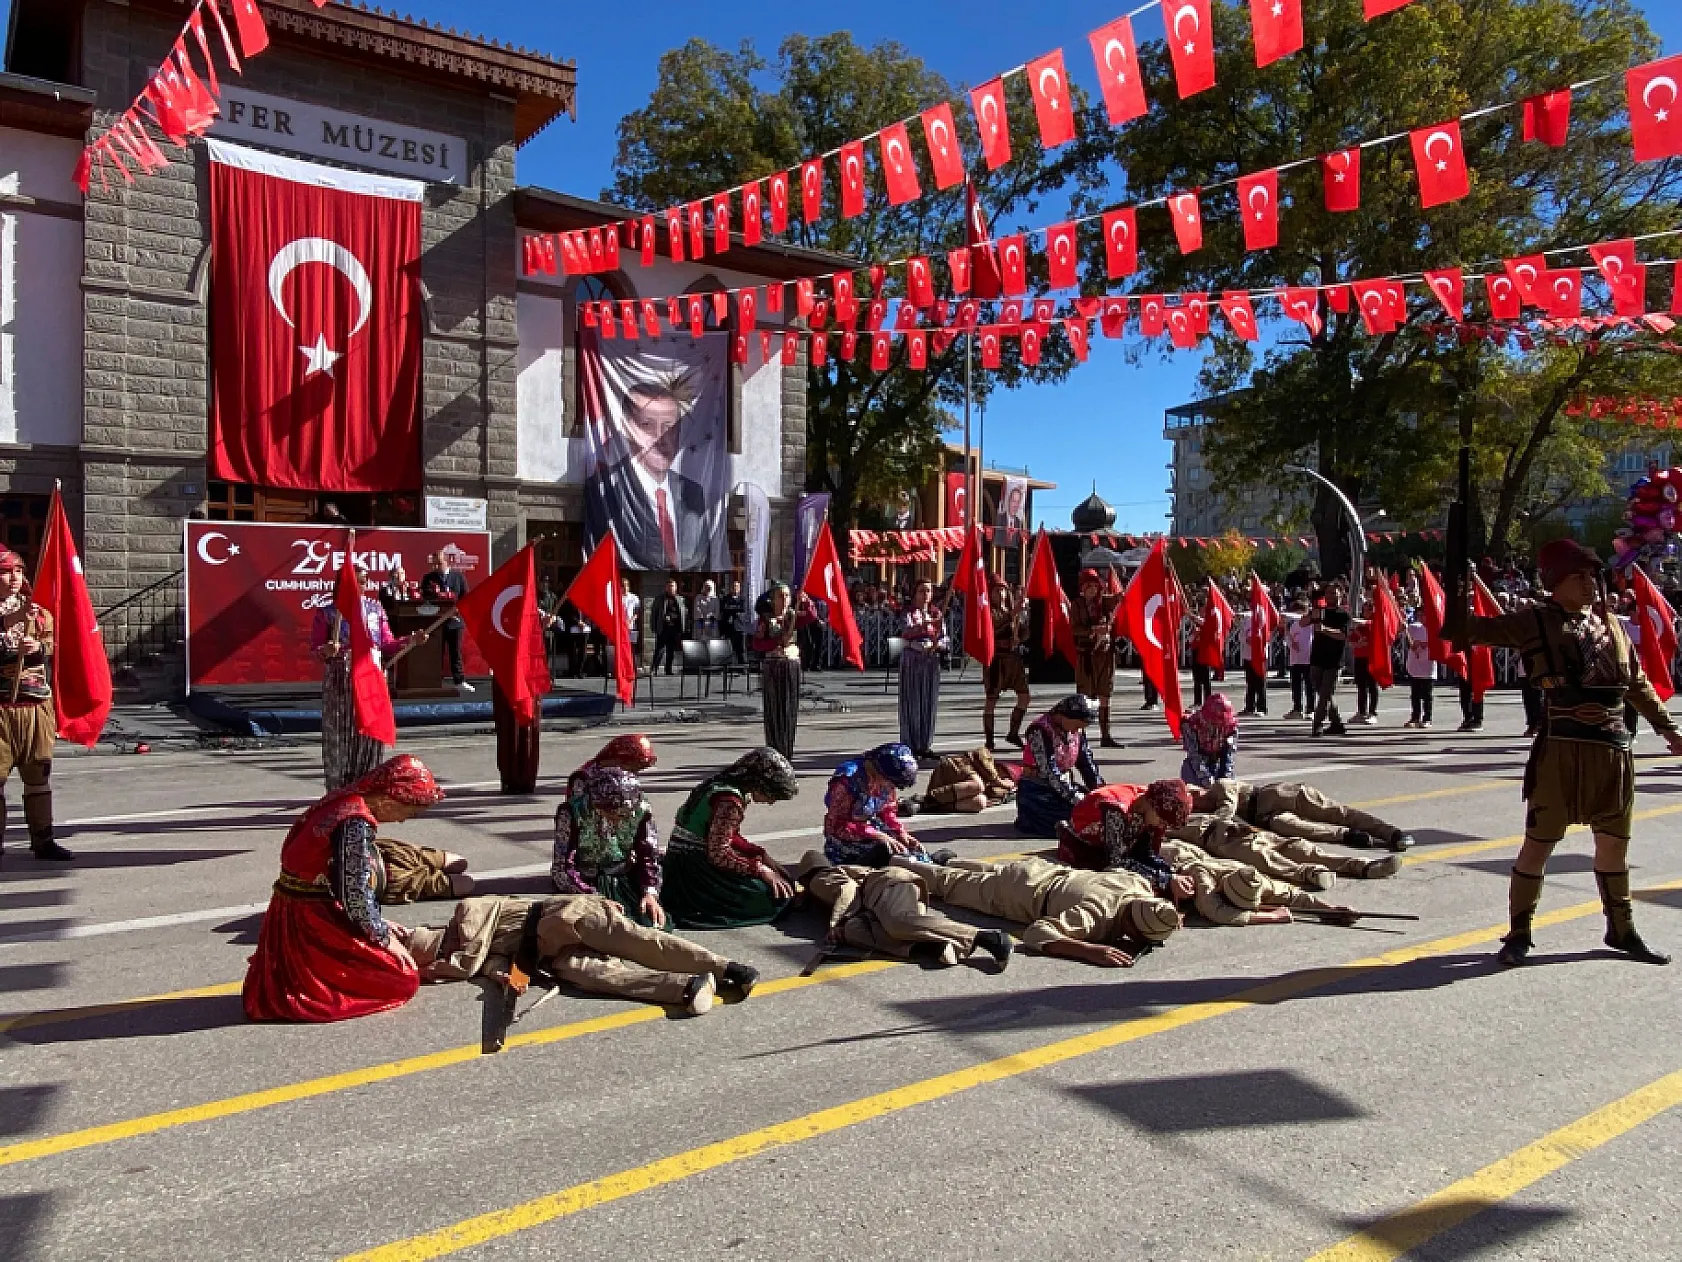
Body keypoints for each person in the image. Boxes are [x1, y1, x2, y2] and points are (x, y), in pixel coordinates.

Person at [1459, 538, 1682, 967]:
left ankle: (1622, 930)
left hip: (1613, 754)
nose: (1590, 584)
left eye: (1593, 575)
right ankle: (1519, 933)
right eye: (1578, 576)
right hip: (1561, 751)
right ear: (1555, 582)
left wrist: (1669, 729)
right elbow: (1466, 630)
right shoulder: (1534, 622)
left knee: (1614, 847)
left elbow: (1636, 684)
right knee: (1538, 845)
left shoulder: (1613, 626)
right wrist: (1453, 591)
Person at [242, 755, 445, 1022]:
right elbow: (355, 893)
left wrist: (379, 922)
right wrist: (384, 938)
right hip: (311, 918)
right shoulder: (356, 822)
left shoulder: (342, 802)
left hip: (295, 903)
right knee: (403, 978)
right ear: (387, 800)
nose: (403, 821)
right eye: (408, 811)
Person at [409, 892, 760, 1021]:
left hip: (567, 917)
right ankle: (686, 988)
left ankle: (726, 967)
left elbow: (471, 951)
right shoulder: (475, 956)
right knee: (598, 978)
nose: (448, 949)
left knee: (640, 942)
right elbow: (494, 964)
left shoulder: (470, 913)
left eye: (442, 945)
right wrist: (511, 980)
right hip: (552, 954)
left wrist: (455, 962)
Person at [895, 854, 1181, 968]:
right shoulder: (1094, 916)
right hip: (1019, 894)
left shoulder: (1139, 886)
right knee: (947, 884)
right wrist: (1089, 950)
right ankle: (896, 861)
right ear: (1132, 928)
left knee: (980, 871)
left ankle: (951, 859)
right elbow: (1037, 933)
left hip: (1041, 869)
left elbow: (1115, 870)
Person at [583, 380, 725, 572]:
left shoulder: (692, 492)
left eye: (669, 428)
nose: (661, 438)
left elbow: (701, 557)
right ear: (627, 431)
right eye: (647, 426)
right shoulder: (607, 488)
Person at [310, 565, 426, 792]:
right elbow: (315, 649)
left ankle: (367, 783)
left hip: (371, 676)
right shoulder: (328, 613)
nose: (361, 586)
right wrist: (327, 650)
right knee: (344, 733)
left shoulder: (375, 609)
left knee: (370, 731)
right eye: (356, 582)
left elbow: (387, 644)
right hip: (341, 679)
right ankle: (341, 786)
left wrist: (411, 640)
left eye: (364, 582)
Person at [794, 851, 1013, 969]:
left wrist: (836, 923)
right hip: (876, 901)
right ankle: (929, 944)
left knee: (898, 922)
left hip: (886, 885)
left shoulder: (820, 878)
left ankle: (986, 937)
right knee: (854, 930)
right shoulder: (824, 880)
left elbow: (847, 890)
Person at [663, 747, 801, 929]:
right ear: (759, 783)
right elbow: (719, 854)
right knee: (774, 897)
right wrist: (760, 870)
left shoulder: (718, 785)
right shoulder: (728, 801)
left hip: (682, 860)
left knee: (780, 884)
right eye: (772, 794)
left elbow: (727, 835)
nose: (771, 802)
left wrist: (760, 855)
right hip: (694, 870)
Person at [0, 550, 68, 862]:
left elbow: (52, 644)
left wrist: (38, 646)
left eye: (18, 570)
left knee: (38, 774)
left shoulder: (37, 613)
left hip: (35, 705)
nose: (14, 578)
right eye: (5, 571)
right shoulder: (18, 614)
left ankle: (43, 841)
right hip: (1, 707)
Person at [551, 764, 665, 927]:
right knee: (597, 925)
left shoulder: (640, 809)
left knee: (648, 921)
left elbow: (648, 853)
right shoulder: (571, 812)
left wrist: (650, 892)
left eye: (627, 813)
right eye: (615, 813)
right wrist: (594, 898)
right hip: (585, 881)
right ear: (597, 805)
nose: (623, 818)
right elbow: (562, 869)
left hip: (621, 876)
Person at [1158, 838, 1357, 927]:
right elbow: (1217, 912)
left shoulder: (1254, 881)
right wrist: (1272, 917)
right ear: (1220, 889)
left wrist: (1330, 910)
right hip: (1167, 857)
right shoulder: (1203, 877)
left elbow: (1292, 895)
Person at [1172, 809, 1400, 885]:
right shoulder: (1160, 828)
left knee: (1299, 848)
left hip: (1244, 829)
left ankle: (1364, 867)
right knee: (1269, 860)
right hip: (1220, 843)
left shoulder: (1197, 805)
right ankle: (1310, 874)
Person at [1193, 778, 1415, 853]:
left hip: (1281, 795)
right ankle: (1348, 836)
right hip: (1269, 817)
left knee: (1338, 812)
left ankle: (1392, 833)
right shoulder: (1210, 808)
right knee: (1299, 829)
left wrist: (1213, 823)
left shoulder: (1220, 787)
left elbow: (1227, 809)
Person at [1053, 780, 1194, 883]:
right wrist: (1165, 879)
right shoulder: (1116, 808)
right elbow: (1116, 861)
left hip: (1118, 845)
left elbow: (1149, 852)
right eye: (1162, 820)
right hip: (1086, 845)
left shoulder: (1148, 806)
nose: (1161, 825)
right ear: (1153, 805)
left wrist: (1168, 872)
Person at [823, 743, 930, 866]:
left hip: (871, 828)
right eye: (892, 783)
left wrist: (901, 833)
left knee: (913, 853)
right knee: (891, 856)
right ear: (880, 772)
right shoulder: (848, 780)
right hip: (845, 837)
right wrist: (878, 835)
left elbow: (887, 811)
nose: (892, 788)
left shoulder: (886, 781)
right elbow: (836, 825)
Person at [1016, 695, 1104, 837]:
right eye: (1076, 726)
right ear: (1065, 716)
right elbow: (1049, 771)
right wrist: (1075, 797)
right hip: (1037, 790)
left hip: (1060, 786)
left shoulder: (1075, 731)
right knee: (1076, 818)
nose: (1076, 731)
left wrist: (1100, 791)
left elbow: (1086, 763)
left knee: (1096, 809)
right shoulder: (1040, 730)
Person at [753, 582, 803, 758]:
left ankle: (787, 751)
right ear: (772, 599)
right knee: (775, 711)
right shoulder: (766, 619)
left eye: (787, 596)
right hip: (773, 665)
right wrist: (777, 641)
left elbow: (811, 617)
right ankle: (774, 750)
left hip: (790, 664)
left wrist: (806, 602)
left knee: (789, 710)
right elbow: (757, 643)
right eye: (780, 596)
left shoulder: (794, 615)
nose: (784, 600)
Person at [1071, 569, 1122, 747]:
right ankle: (1080, 738)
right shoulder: (1076, 605)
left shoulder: (1105, 602)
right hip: (1086, 655)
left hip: (1105, 655)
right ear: (1083, 588)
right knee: (1085, 698)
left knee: (1104, 695)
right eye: (1088, 586)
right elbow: (1074, 629)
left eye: (1095, 585)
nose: (1092, 589)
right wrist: (1093, 630)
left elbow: (1120, 598)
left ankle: (1105, 735)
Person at [898, 579, 947, 758]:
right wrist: (924, 627)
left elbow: (945, 637)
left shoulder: (936, 613)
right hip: (913, 660)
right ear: (915, 593)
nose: (926, 594)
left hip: (931, 661)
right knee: (912, 702)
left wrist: (939, 644)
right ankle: (910, 744)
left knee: (928, 701)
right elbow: (906, 631)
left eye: (928, 591)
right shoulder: (908, 612)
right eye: (922, 591)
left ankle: (925, 745)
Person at [984, 577, 1032, 751]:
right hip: (996, 659)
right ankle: (989, 739)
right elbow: (993, 627)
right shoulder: (988, 611)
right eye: (997, 590)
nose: (1001, 593)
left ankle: (1013, 732)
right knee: (991, 700)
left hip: (1013, 659)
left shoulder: (1011, 610)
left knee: (1024, 697)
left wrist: (1023, 618)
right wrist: (1012, 615)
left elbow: (1024, 633)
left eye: (1003, 590)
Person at [421, 551, 471, 693]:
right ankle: (435, 680)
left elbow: (465, 597)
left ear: (447, 561)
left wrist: (458, 610)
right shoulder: (428, 578)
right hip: (437, 621)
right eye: (434, 564)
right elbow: (424, 597)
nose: (436, 566)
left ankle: (459, 680)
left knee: (455, 651)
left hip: (455, 621)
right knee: (436, 652)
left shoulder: (458, 577)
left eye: (439, 563)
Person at [1308, 583, 1350, 736]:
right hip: (1317, 658)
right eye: (1329, 593)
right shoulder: (1320, 612)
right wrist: (1310, 616)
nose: (1332, 595)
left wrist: (1325, 630)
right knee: (1324, 694)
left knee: (1325, 694)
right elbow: (1303, 623)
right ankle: (1337, 723)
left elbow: (1342, 635)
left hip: (1333, 661)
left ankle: (1317, 725)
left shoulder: (1343, 614)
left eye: (1335, 593)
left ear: (1341, 595)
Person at [923, 747, 1015, 814]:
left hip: (955, 791)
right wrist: (1000, 782)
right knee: (977, 785)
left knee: (980, 802)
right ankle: (926, 800)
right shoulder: (986, 758)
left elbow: (994, 792)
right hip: (956, 766)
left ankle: (932, 806)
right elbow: (980, 755)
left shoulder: (991, 790)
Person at [1180, 694, 1238, 788]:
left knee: (1227, 787)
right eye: (1214, 722)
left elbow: (1229, 755)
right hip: (1196, 764)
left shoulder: (1231, 727)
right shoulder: (1191, 725)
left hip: (1218, 761)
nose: (1218, 726)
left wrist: (1224, 781)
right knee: (1193, 782)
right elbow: (1194, 756)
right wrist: (1206, 780)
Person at [1284, 601, 1317, 720]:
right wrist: (1291, 643)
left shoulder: (1311, 626)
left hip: (1308, 660)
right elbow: (1289, 638)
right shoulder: (1293, 625)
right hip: (1295, 660)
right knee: (1296, 686)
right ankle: (1297, 708)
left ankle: (1311, 709)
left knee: (1310, 686)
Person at [1403, 608, 1435, 729]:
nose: (1422, 617)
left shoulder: (1434, 629)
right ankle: (1415, 717)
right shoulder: (1414, 627)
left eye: (1424, 614)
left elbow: (1439, 644)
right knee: (1415, 694)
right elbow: (1404, 634)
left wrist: (1423, 644)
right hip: (1415, 665)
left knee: (1427, 695)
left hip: (1428, 665)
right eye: (1420, 614)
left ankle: (1427, 718)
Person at [650, 578, 687, 676]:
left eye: (673, 586)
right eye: (669, 586)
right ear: (666, 588)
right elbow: (654, 613)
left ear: (676, 588)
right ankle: (654, 669)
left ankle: (668, 669)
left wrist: (682, 627)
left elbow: (683, 613)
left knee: (671, 650)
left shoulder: (680, 599)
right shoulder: (659, 598)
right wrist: (654, 626)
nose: (671, 588)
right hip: (663, 627)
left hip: (674, 628)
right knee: (659, 649)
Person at [1236, 606, 1268, 715]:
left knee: (1260, 682)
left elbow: (1261, 635)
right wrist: (1246, 638)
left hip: (1259, 656)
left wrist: (1253, 639)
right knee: (1250, 683)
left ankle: (1261, 708)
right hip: (1248, 655)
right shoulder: (1247, 619)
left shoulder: (1262, 615)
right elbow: (1242, 636)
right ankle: (1249, 707)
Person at [1348, 613, 1377, 724]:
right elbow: (1351, 642)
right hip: (1359, 658)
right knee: (1361, 686)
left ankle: (1372, 713)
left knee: (1372, 686)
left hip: (1371, 658)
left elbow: (1369, 624)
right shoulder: (1358, 627)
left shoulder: (1374, 624)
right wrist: (1357, 644)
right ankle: (1361, 712)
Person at [720, 578, 747, 663]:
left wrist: (732, 609)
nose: (735, 588)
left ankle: (743, 668)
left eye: (737, 586)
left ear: (739, 588)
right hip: (729, 628)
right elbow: (724, 610)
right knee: (729, 649)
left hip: (740, 628)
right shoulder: (726, 598)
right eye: (733, 586)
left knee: (741, 649)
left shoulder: (743, 599)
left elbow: (742, 610)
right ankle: (729, 667)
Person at [621, 578, 643, 668]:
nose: (625, 588)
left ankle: (632, 667)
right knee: (622, 648)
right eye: (623, 586)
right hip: (621, 627)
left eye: (627, 586)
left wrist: (631, 620)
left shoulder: (634, 598)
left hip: (631, 626)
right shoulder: (617, 597)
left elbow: (637, 612)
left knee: (631, 648)